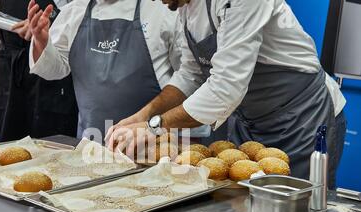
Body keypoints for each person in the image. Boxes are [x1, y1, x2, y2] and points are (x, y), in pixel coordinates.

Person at [109, 0, 347, 188]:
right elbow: (191, 74)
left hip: (302, 119)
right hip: (249, 123)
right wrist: (143, 116)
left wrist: (154, 127)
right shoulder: (187, 9)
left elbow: (225, 87)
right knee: (239, 207)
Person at [28, 0, 206, 140]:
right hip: (92, 143)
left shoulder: (163, 9)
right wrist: (42, 43)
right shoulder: (74, 11)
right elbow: (54, 70)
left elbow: (190, 77)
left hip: (155, 143)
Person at [0, 0, 78, 142]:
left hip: (52, 59)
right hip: (9, 63)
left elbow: (84, 9)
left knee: (50, 148)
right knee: (6, 145)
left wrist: (50, 23)